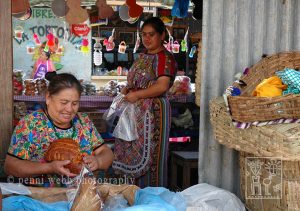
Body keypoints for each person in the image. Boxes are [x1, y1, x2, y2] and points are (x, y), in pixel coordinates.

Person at [5, 73, 114, 186]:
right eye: (64, 102)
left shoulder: (83, 121)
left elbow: (106, 152)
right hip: (43, 197)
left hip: (83, 195)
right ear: (48, 98)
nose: (69, 109)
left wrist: (98, 161)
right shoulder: (30, 124)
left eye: (75, 103)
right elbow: (10, 166)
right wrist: (49, 168)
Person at [113, 17, 177, 187]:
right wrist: (127, 89)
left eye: (151, 34)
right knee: (129, 149)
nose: (147, 39)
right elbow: (135, 81)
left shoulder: (165, 58)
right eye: (144, 35)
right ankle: (129, 194)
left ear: (162, 35)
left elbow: (162, 86)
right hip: (135, 111)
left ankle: (151, 196)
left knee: (151, 155)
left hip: (153, 113)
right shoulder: (143, 56)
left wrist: (138, 95)